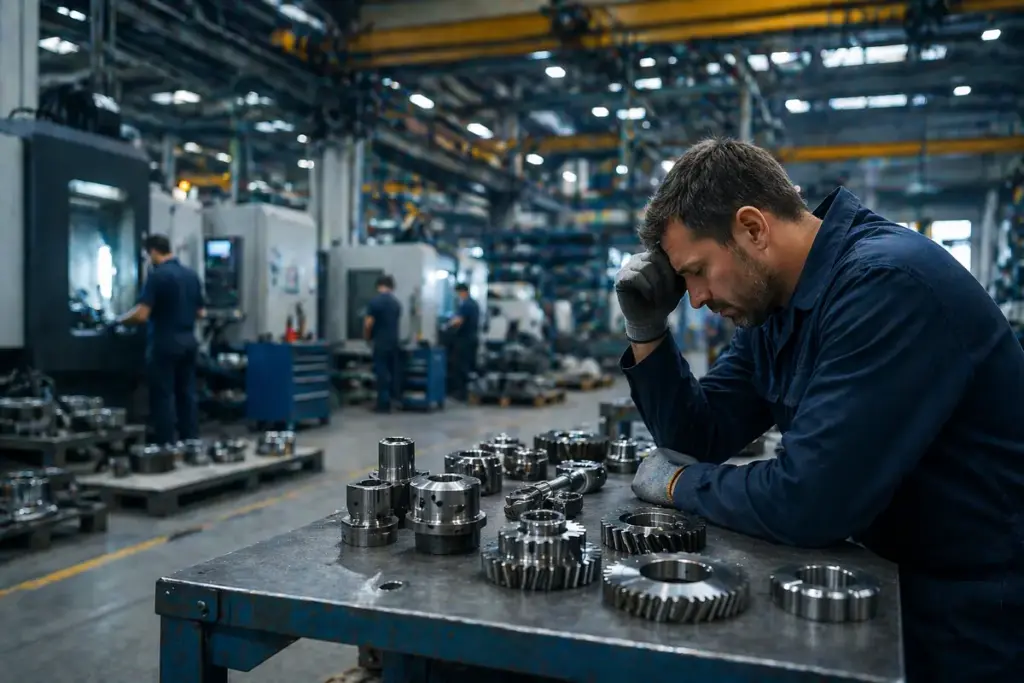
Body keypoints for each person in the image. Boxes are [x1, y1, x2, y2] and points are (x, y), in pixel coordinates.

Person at [616, 138, 1024, 682]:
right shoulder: (779, 309)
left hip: (975, 607)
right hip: (893, 577)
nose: (694, 299)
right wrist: (646, 330)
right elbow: (698, 436)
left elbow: (809, 499)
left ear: (753, 229)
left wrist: (677, 486)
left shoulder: (885, 285)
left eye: (697, 272)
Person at [113, 234, 204, 444]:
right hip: (189, 343)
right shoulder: (191, 275)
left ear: (153, 251)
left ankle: (166, 446)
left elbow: (142, 314)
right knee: (187, 395)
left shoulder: (157, 276)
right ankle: (190, 443)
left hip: (165, 344)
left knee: (163, 396)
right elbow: (200, 313)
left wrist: (119, 321)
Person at [364, 274, 402, 413]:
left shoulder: (375, 302)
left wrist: (367, 337)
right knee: (392, 372)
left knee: (381, 372)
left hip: (380, 342)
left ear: (379, 286)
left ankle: (382, 404)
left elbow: (368, 323)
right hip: (394, 342)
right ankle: (394, 401)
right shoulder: (396, 304)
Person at [448, 283, 480, 401]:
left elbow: (457, 321)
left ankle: (462, 394)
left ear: (462, 292)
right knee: (468, 365)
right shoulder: (474, 304)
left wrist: (448, 325)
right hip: (472, 338)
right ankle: (468, 392)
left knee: (460, 366)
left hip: (464, 340)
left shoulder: (466, 305)